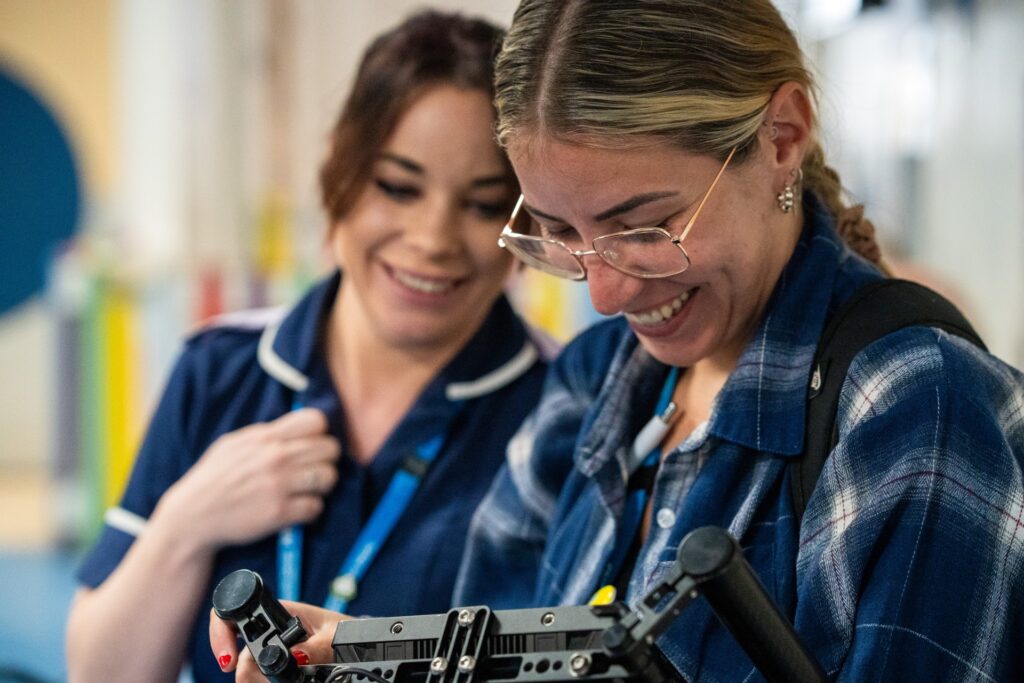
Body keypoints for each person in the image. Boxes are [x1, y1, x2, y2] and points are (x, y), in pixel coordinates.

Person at [213, 1, 1024, 681]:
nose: (605, 294)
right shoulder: (594, 383)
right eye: (560, 232)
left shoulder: (914, 406)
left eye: (643, 228)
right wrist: (362, 658)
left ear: (781, 138)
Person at [66, 10, 550, 683]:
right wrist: (184, 525)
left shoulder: (563, 407)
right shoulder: (220, 368)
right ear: (339, 174)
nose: (433, 237)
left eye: (483, 202)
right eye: (397, 187)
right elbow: (99, 673)